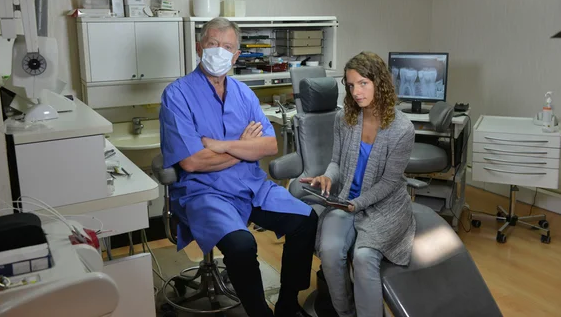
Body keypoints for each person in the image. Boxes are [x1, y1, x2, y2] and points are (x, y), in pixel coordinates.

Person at [159, 17, 317, 317]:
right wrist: (244, 147)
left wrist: (221, 145)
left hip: (250, 184)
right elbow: (192, 161)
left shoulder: (244, 94)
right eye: (212, 44)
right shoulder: (177, 95)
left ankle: (286, 304)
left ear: (236, 55)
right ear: (198, 47)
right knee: (242, 245)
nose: (219, 52)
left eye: (227, 47)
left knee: (306, 220)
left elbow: (270, 147)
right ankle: (259, 312)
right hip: (204, 192)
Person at [301, 52, 416, 317]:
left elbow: (389, 182)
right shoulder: (345, 119)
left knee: (364, 257)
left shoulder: (402, 129)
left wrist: (358, 203)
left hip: (384, 205)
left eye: (363, 83)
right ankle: (346, 313)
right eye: (351, 85)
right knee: (329, 251)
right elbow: (337, 162)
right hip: (346, 201)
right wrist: (328, 176)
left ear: (380, 83)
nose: (356, 92)